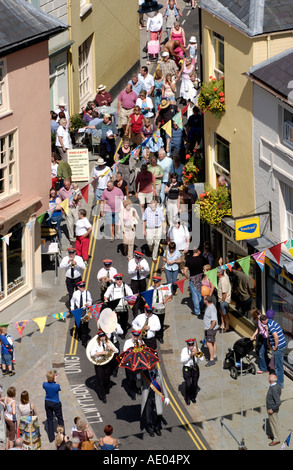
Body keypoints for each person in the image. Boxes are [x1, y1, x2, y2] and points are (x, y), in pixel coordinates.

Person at [139, 363, 169, 437]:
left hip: (157, 396)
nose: (151, 367)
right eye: (149, 365)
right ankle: (150, 429)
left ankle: (157, 428)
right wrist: (138, 379)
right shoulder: (143, 373)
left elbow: (163, 384)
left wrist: (166, 396)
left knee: (159, 413)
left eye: (152, 365)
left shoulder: (159, 371)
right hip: (148, 397)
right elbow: (139, 386)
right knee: (148, 414)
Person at [90, 330, 119, 403]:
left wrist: (112, 348)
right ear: (99, 338)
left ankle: (105, 389)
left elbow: (117, 351)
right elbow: (92, 353)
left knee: (107, 378)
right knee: (100, 381)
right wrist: (102, 352)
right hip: (99, 364)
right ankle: (102, 396)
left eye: (103, 336)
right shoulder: (96, 344)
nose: (102, 337)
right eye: (101, 336)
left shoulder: (108, 343)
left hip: (107, 363)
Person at [260, 315, 286, 388]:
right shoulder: (270, 322)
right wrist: (269, 342)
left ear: (262, 321)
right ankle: (279, 381)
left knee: (278, 367)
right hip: (282, 345)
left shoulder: (270, 325)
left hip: (279, 347)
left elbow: (276, 336)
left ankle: (280, 384)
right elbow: (271, 334)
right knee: (277, 364)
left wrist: (275, 346)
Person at [104, 273, 133, 337]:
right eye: (117, 279)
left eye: (120, 279)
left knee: (124, 321)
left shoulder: (125, 286)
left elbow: (131, 295)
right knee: (114, 321)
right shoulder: (111, 287)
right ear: (115, 280)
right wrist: (107, 301)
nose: (119, 281)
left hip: (123, 307)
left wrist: (128, 301)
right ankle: (115, 333)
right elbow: (106, 296)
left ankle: (123, 333)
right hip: (114, 308)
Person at [183, 248, 208, 316]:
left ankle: (197, 311)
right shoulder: (202, 258)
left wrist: (187, 277)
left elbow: (184, 271)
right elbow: (207, 266)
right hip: (201, 278)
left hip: (192, 278)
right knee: (200, 293)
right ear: (198, 251)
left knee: (194, 295)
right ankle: (202, 308)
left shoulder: (189, 259)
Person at [43, 370, 64, 443]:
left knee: (49, 419)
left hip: (47, 402)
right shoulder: (56, 386)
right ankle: (62, 434)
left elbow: (47, 384)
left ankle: (51, 437)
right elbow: (58, 388)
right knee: (60, 418)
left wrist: (52, 379)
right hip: (55, 403)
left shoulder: (44, 384)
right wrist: (55, 380)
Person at [149, 275, 172, 344]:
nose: (155, 283)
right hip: (153, 308)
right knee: (153, 322)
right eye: (154, 282)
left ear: (160, 282)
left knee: (160, 323)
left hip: (161, 307)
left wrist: (166, 299)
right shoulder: (151, 288)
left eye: (156, 282)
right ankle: (154, 335)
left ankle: (160, 336)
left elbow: (170, 294)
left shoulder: (164, 288)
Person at [58, 179, 81, 246]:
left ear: (70, 184)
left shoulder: (74, 187)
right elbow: (60, 200)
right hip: (67, 208)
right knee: (69, 224)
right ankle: (71, 239)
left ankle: (78, 235)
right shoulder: (61, 191)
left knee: (77, 222)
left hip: (75, 207)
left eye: (68, 185)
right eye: (65, 185)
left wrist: (77, 198)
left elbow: (80, 196)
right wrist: (62, 208)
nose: (67, 186)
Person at [180, 339, 203, 405]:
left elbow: (202, 359)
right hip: (187, 368)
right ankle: (187, 398)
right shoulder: (184, 350)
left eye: (192, 344)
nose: (191, 346)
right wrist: (189, 355)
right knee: (188, 384)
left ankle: (193, 397)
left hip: (195, 367)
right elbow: (182, 360)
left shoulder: (197, 349)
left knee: (195, 383)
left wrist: (197, 353)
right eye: (189, 345)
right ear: (187, 345)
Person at [123, 330, 144, 400]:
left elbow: (143, 352)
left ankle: (138, 389)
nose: (135, 338)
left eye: (137, 336)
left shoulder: (141, 342)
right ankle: (132, 393)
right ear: (132, 336)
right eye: (134, 336)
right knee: (130, 379)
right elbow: (125, 352)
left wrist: (141, 346)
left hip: (138, 364)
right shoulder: (128, 342)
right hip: (130, 364)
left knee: (138, 378)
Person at [70, 280, 92, 347]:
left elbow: (90, 300)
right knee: (78, 325)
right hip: (78, 310)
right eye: (81, 286)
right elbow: (72, 301)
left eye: (83, 286)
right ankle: (79, 335)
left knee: (85, 326)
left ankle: (84, 341)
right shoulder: (75, 293)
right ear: (78, 287)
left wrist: (88, 304)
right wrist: (72, 308)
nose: (82, 287)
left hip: (85, 310)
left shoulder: (87, 293)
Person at [128, 251, 150, 318]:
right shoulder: (131, 262)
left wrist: (142, 268)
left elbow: (148, 269)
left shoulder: (143, 261)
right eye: (137, 258)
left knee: (142, 296)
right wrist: (135, 269)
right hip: (134, 281)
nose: (138, 259)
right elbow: (129, 272)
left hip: (142, 279)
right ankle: (135, 314)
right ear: (135, 256)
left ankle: (143, 311)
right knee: (135, 297)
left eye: (139, 258)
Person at [143, 199, 165, 263]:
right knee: (150, 242)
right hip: (149, 229)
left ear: (156, 206)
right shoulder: (147, 210)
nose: (153, 208)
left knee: (157, 243)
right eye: (152, 206)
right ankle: (151, 250)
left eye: (154, 206)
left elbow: (163, 220)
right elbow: (144, 220)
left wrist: (163, 229)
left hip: (158, 228)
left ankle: (154, 257)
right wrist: (143, 230)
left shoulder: (159, 210)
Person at [250, 308, 270, 374]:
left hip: (266, 338)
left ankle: (264, 369)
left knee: (261, 353)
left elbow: (267, 329)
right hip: (263, 337)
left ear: (255, 314)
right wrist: (253, 336)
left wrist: (267, 340)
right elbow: (258, 329)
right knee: (264, 352)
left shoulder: (261, 319)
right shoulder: (259, 319)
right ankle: (268, 365)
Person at [266, 374, 282, 446]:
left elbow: (278, 402)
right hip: (271, 407)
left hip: (272, 408)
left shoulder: (274, 389)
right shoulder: (276, 385)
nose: (268, 378)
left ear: (270, 380)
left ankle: (276, 439)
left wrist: (272, 409)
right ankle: (273, 435)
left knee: (274, 424)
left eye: (269, 377)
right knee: (272, 423)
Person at [203, 295, 218, 366]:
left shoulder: (211, 308)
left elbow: (214, 320)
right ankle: (214, 356)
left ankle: (211, 359)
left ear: (206, 300)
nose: (203, 300)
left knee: (209, 343)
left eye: (204, 299)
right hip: (211, 329)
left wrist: (210, 329)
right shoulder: (210, 307)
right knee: (213, 342)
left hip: (211, 329)